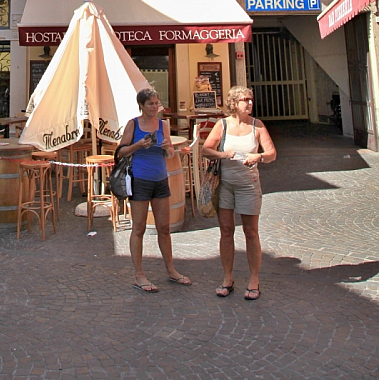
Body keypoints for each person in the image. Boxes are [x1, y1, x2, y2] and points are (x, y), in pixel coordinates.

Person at [201, 85, 276, 301]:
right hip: (225, 184)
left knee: (251, 232)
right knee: (226, 230)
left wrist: (259, 157)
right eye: (245, 99)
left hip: (249, 185)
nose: (250, 103)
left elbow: (271, 153)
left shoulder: (257, 126)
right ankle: (227, 278)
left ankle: (254, 279)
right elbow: (206, 149)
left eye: (251, 99)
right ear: (234, 103)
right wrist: (223, 154)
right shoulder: (222, 124)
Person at [117, 87, 191, 293]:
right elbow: (121, 151)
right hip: (140, 179)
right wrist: (138, 145)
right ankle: (139, 275)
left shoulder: (162, 125)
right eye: (150, 103)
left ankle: (171, 270)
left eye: (157, 103)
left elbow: (169, 154)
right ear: (141, 105)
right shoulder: (133, 124)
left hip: (160, 179)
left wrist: (168, 147)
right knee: (139, 228)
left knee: (164, 229)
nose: (154, 107)